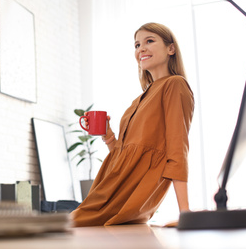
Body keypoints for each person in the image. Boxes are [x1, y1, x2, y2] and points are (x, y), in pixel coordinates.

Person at [70, 22, 194, 227]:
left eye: (149, 41)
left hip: (128, 194)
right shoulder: (139, 100)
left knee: (54, 228)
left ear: (171, 49)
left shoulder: (174, 85)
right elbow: (124, 156)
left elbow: (177, 151)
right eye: (137, 45)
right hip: (111, 187)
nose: (141, 49)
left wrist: (186, 213)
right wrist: (109, 136)